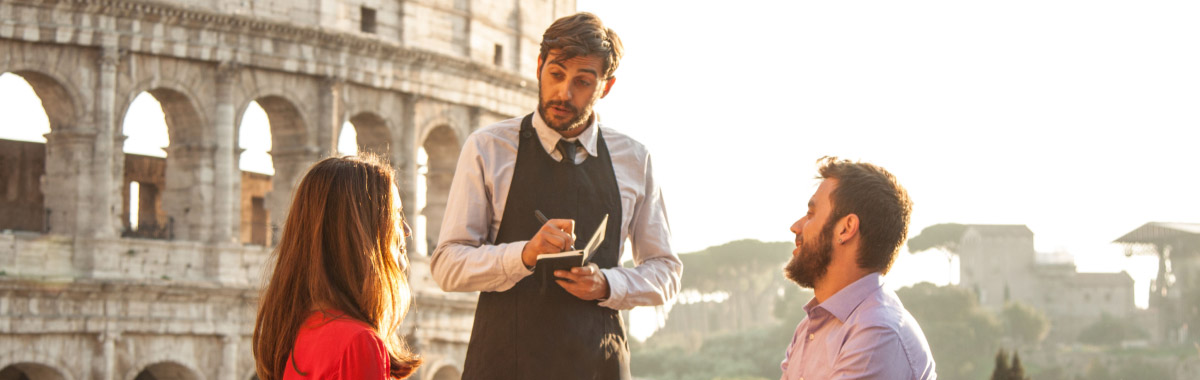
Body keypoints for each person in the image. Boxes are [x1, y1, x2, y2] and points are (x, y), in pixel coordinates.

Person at [430, 12, 682, 380]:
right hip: (504, 366)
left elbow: (667, 271)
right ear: (539, 66)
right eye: (556, 74)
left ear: (605, 87)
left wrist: (608, 284)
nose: (564, 92)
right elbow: (447, 266)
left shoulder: (635, 159)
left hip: (601, 366)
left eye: (582, 82)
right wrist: (524, 255)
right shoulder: (488, 148)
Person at [253, 155, 422, 380]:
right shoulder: (359, 342)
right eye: (396, 214)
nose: (407, 229)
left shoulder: (301, 330)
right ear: (361, 231)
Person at [780, 157, 936, 380]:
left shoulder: (877, 331)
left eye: (811, 214)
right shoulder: (808, 329)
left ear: (846, 228)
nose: (795, 227)